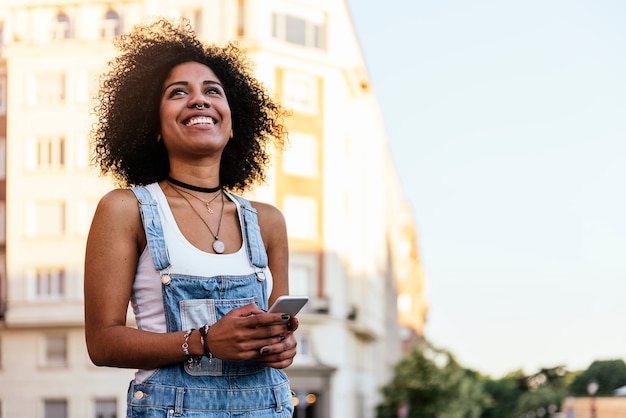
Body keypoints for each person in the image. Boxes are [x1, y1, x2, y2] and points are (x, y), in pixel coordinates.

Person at [84, 18, 298, 417]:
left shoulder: (268, 221)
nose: (199, 100)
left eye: (212, 91)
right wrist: (204, 341)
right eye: (177, 93)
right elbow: (102, 343)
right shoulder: (125, 209)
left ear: (234, 124)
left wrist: (281, 347)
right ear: (154, 128)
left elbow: (274, 330)